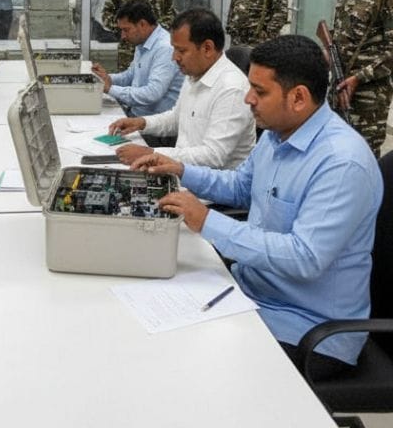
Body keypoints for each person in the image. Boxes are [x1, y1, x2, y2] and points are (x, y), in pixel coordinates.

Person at [134, 35, 381, 379]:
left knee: (183, 366)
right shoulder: (279, 135)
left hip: (308, 328)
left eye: (260, 92)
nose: (248, 98)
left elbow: (304, 258)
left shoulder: (341, 164)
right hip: (253, 292)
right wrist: (181, 170)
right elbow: (242, 186)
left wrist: (207, 221)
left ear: (298, 97)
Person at [107, 8, 255, 169]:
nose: (174, 57)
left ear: (207, 48)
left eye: (181, 50)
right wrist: (142, 123)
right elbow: (177, 119)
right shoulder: (194, 74)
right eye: (174, 49)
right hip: (182, 170)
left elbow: (213, 156)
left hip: (207, 182)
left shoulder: (232, 89)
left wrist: (151, 153)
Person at [330, 0, 393, 154]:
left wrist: (358, 78)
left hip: (368, 97)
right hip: (338, 85)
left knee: (362, 154)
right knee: (335, 149)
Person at [91, 0, 183, 122]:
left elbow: (152, 93)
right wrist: (106, 78)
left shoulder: (164, 48)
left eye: (126, 30)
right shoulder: (143, 42)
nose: (123, 36)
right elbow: (131, 76)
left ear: (142, 24)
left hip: (155, 124)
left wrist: (110, 89)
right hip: (136, 115)